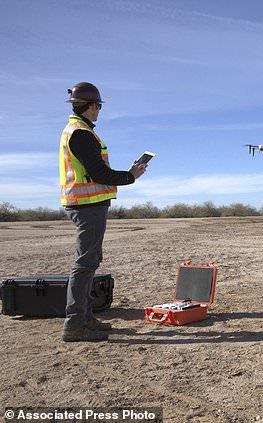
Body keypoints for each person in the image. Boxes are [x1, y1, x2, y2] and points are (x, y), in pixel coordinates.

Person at [59, 82, 148, 342]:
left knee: (89, 262)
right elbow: (99, 173)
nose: (100, 110)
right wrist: (131, 176)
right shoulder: (81, 133)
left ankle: (85, 318)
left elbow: (94, 171)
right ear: (90, 105)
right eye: (98, 105)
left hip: (87, 205)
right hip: (88, 206)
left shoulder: (80, 130)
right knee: (85, 264)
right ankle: (75, 324)